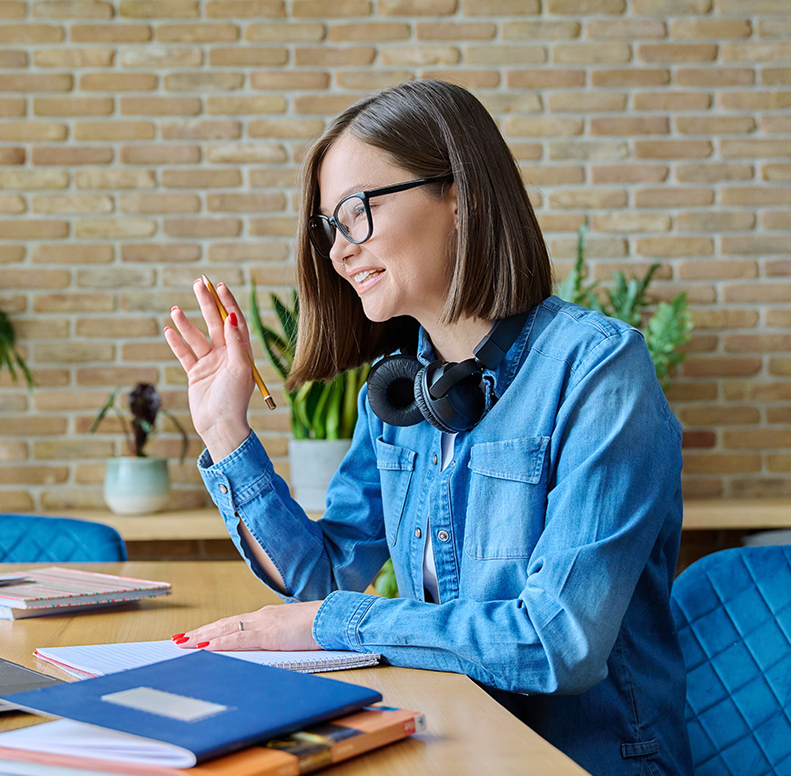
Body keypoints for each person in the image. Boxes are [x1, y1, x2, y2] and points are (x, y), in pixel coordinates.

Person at [162, 79, 690, 776]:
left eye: (355, 212)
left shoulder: (597, 370)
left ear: (459, 194)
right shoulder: (400, 387)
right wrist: (225, 431)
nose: (339, 251)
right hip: (448, 743)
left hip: (580, 761)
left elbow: (559, 641)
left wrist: (333, 624)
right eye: (329, 228)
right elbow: (323, 577)